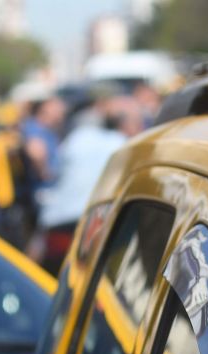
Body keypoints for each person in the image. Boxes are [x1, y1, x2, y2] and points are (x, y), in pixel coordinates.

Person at [30, 96, 145, 273]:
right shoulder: (124, 146)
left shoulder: (78, 138)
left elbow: (57, 173)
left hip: (58, 223)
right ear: (126, 125)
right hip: (98, 224)